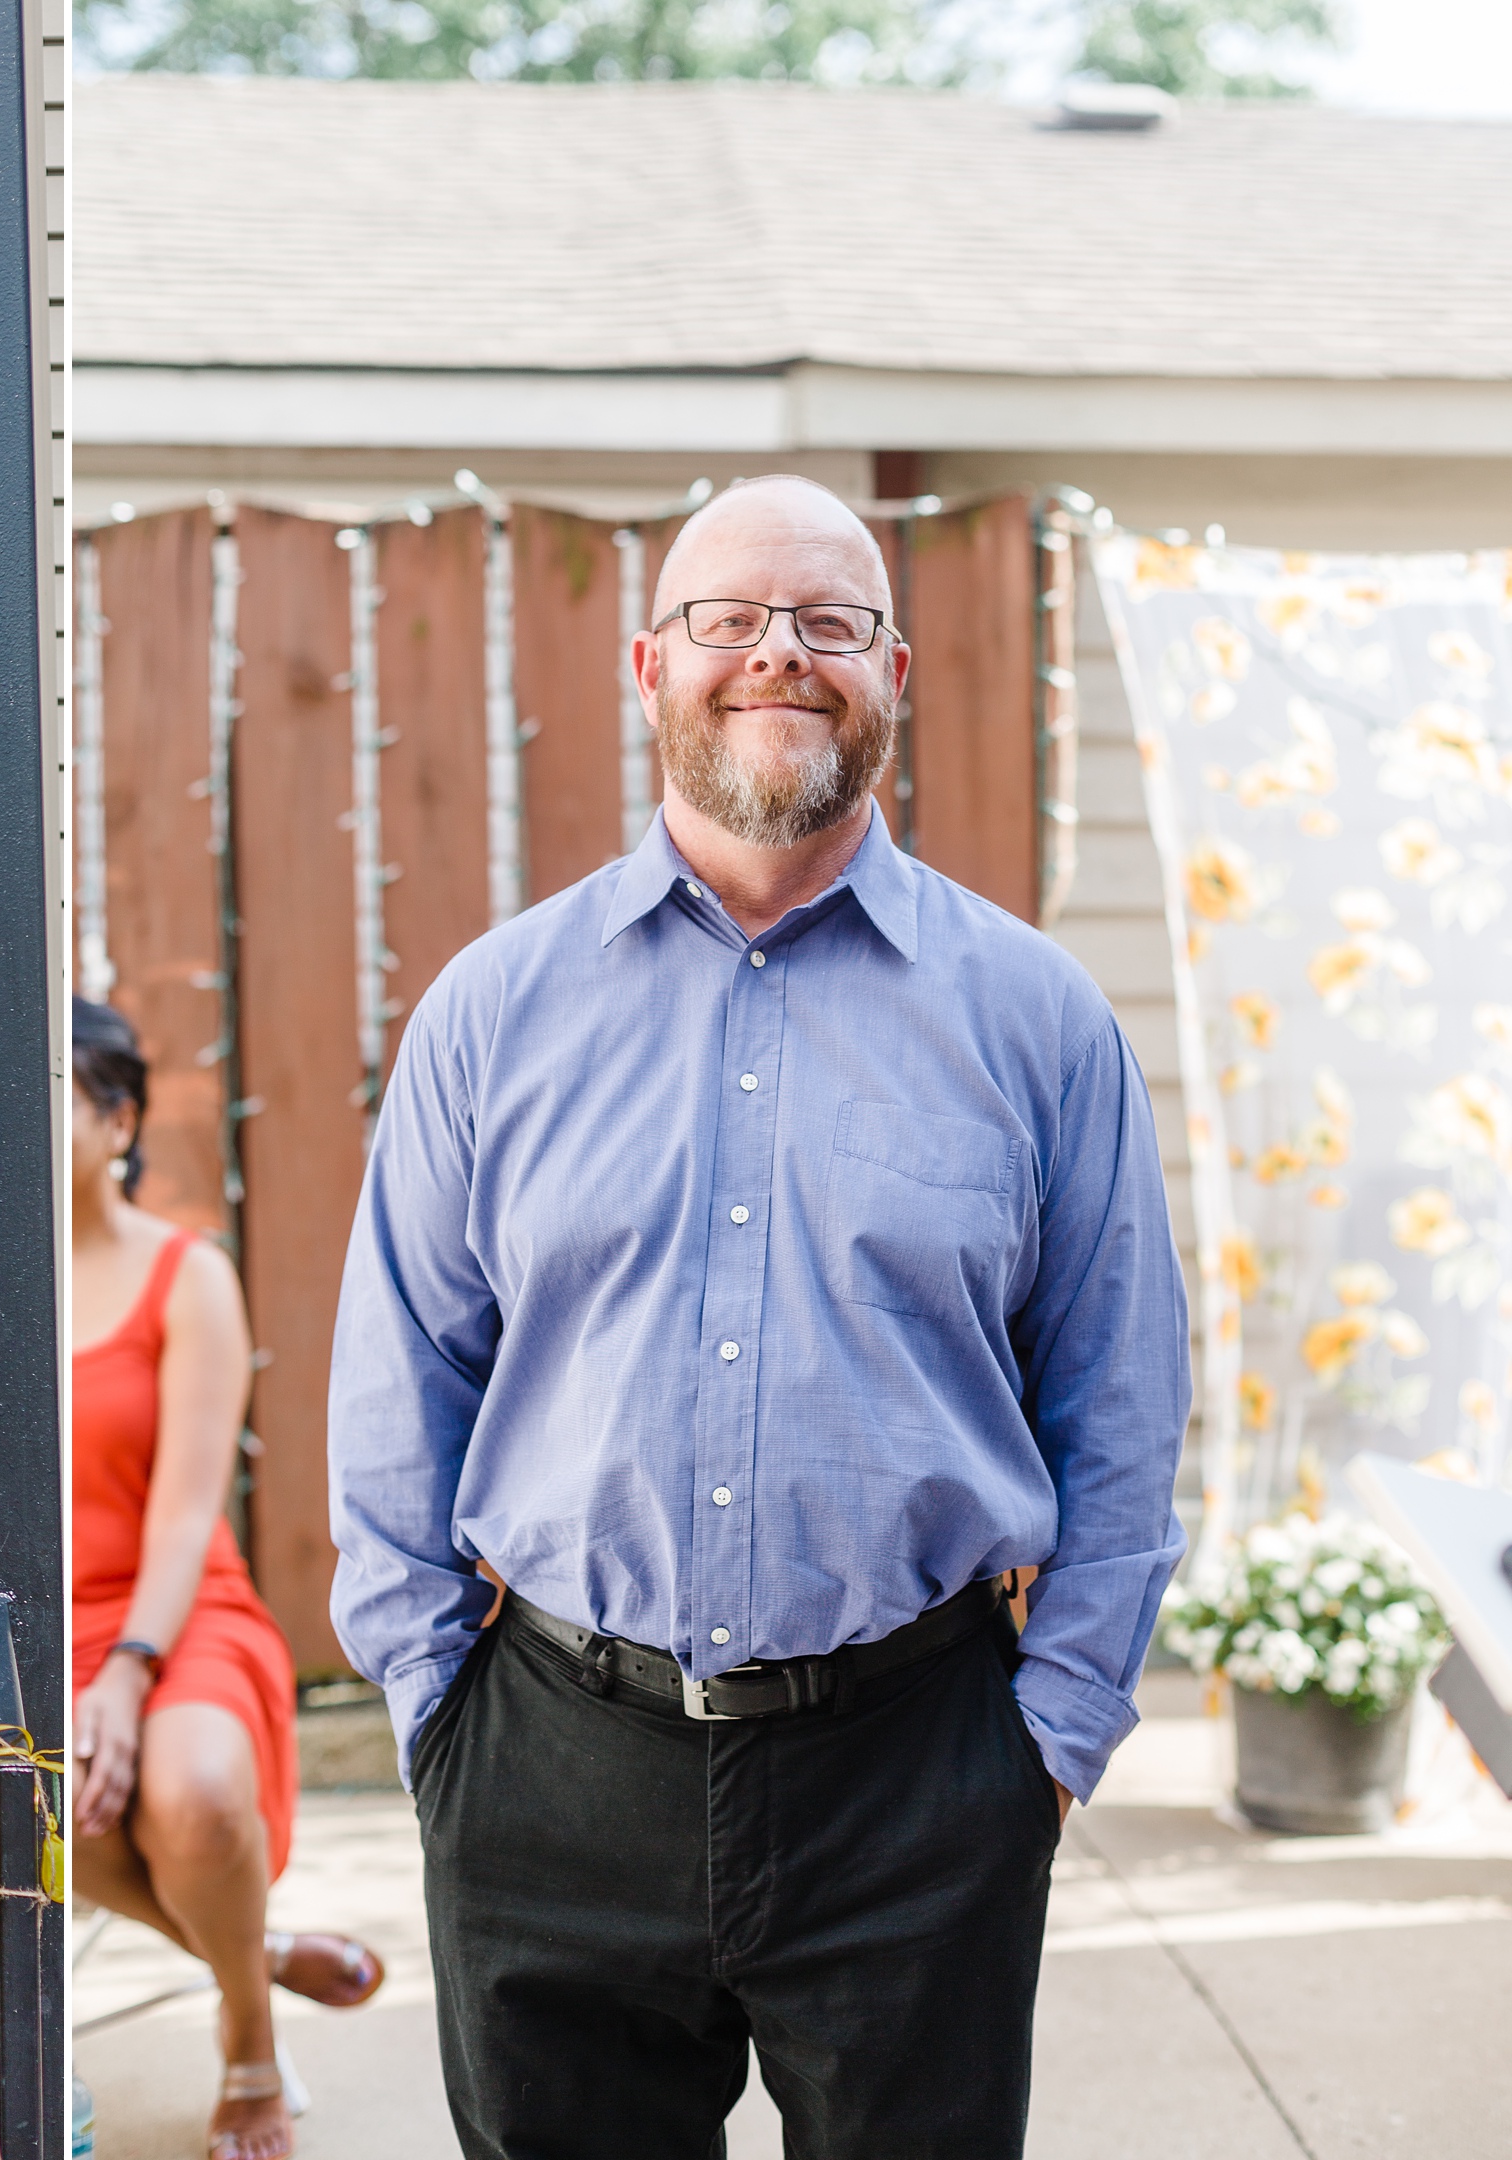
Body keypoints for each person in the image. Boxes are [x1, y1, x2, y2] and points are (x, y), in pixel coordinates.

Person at [328, 475, 1191, 2160]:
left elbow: (1119, 1400)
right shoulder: (491, 1015)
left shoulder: (1035, 1023)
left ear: (895, 673)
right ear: (647, 668)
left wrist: (1050, 1741)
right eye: (727, 621)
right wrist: (436, 1720)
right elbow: (396, 1381)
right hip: (546, 1771)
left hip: (918, 1779)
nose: (774, 657)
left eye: (827, 623)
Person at [69, 999, 382, 2160]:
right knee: (24, 1791)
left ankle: (246, 2039)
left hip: (172, 1609)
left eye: (53, 1091)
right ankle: (254, 1946)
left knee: (193, 1788)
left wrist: (127, 1672)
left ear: (118, 1122)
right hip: (41, 1625)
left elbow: (185, 1511)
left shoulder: (182, 1275)